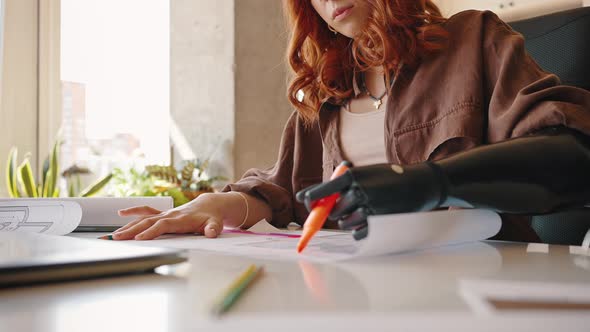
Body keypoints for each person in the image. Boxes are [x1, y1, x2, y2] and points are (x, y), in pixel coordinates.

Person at [112, 0, 590, 242]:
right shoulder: (327, 93)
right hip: (355, 286)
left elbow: (569, 153)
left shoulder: (474, 40)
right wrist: (221, 203)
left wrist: (428, 182)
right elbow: (284, 193)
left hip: (474, 285)